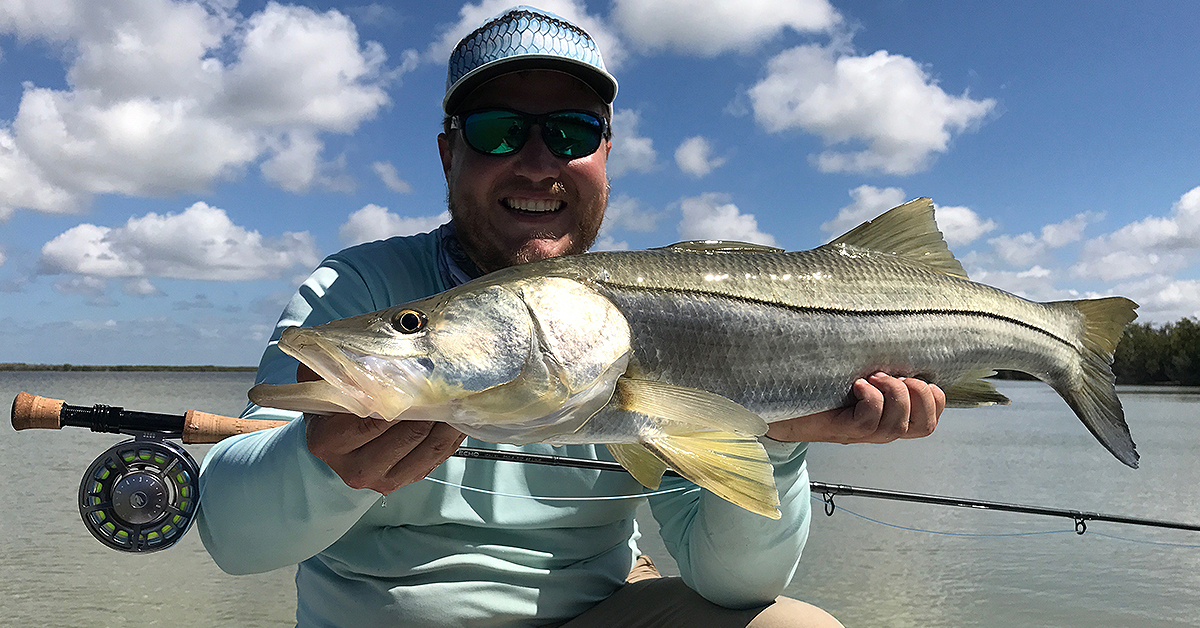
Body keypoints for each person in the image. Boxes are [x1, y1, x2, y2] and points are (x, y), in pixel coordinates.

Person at [197, 6, 945, 627]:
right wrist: (320, 466)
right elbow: (233, 537)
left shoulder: (649, 315)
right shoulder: (359, 285)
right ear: (446, 153)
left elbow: (734, 585)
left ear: (606, 154)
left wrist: (776, 438)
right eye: (496, 131)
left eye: (572, 133)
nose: (536, 161)